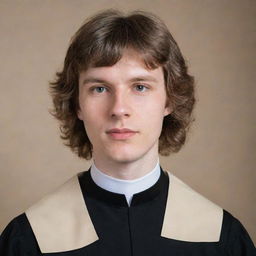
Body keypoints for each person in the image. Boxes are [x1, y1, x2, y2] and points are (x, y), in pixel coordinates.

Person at [0, 9, 255, 256]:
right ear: (77, 105)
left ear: (169, 100)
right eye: (99, 88)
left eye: (140, 87)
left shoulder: (223, 239)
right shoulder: (28, 240)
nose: (119, 109)